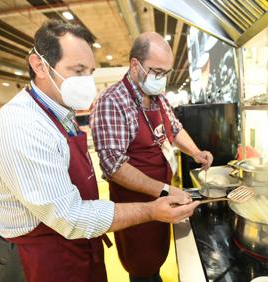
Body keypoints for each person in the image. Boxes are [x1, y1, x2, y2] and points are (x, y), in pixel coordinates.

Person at [0, 20, 199, 282]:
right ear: (39, 65)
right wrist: (152, 208)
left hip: (77, 243)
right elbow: (70, 216)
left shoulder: (61, 115)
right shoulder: (20, 127)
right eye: (78, 70)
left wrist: (195, 154)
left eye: (90, 72)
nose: (87, 82)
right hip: (39, 258)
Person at [90, 32, 213, 282]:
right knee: (142, 269)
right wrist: (166, 190)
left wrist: (196, 152)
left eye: (165, 73)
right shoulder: (112, 102)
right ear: (135, 65)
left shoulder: (158, 98)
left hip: (162, 198)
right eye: (157, 71)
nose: (161, 79)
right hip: (137, 209)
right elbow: (114, 166)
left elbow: (174, 129)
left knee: (157, 260)